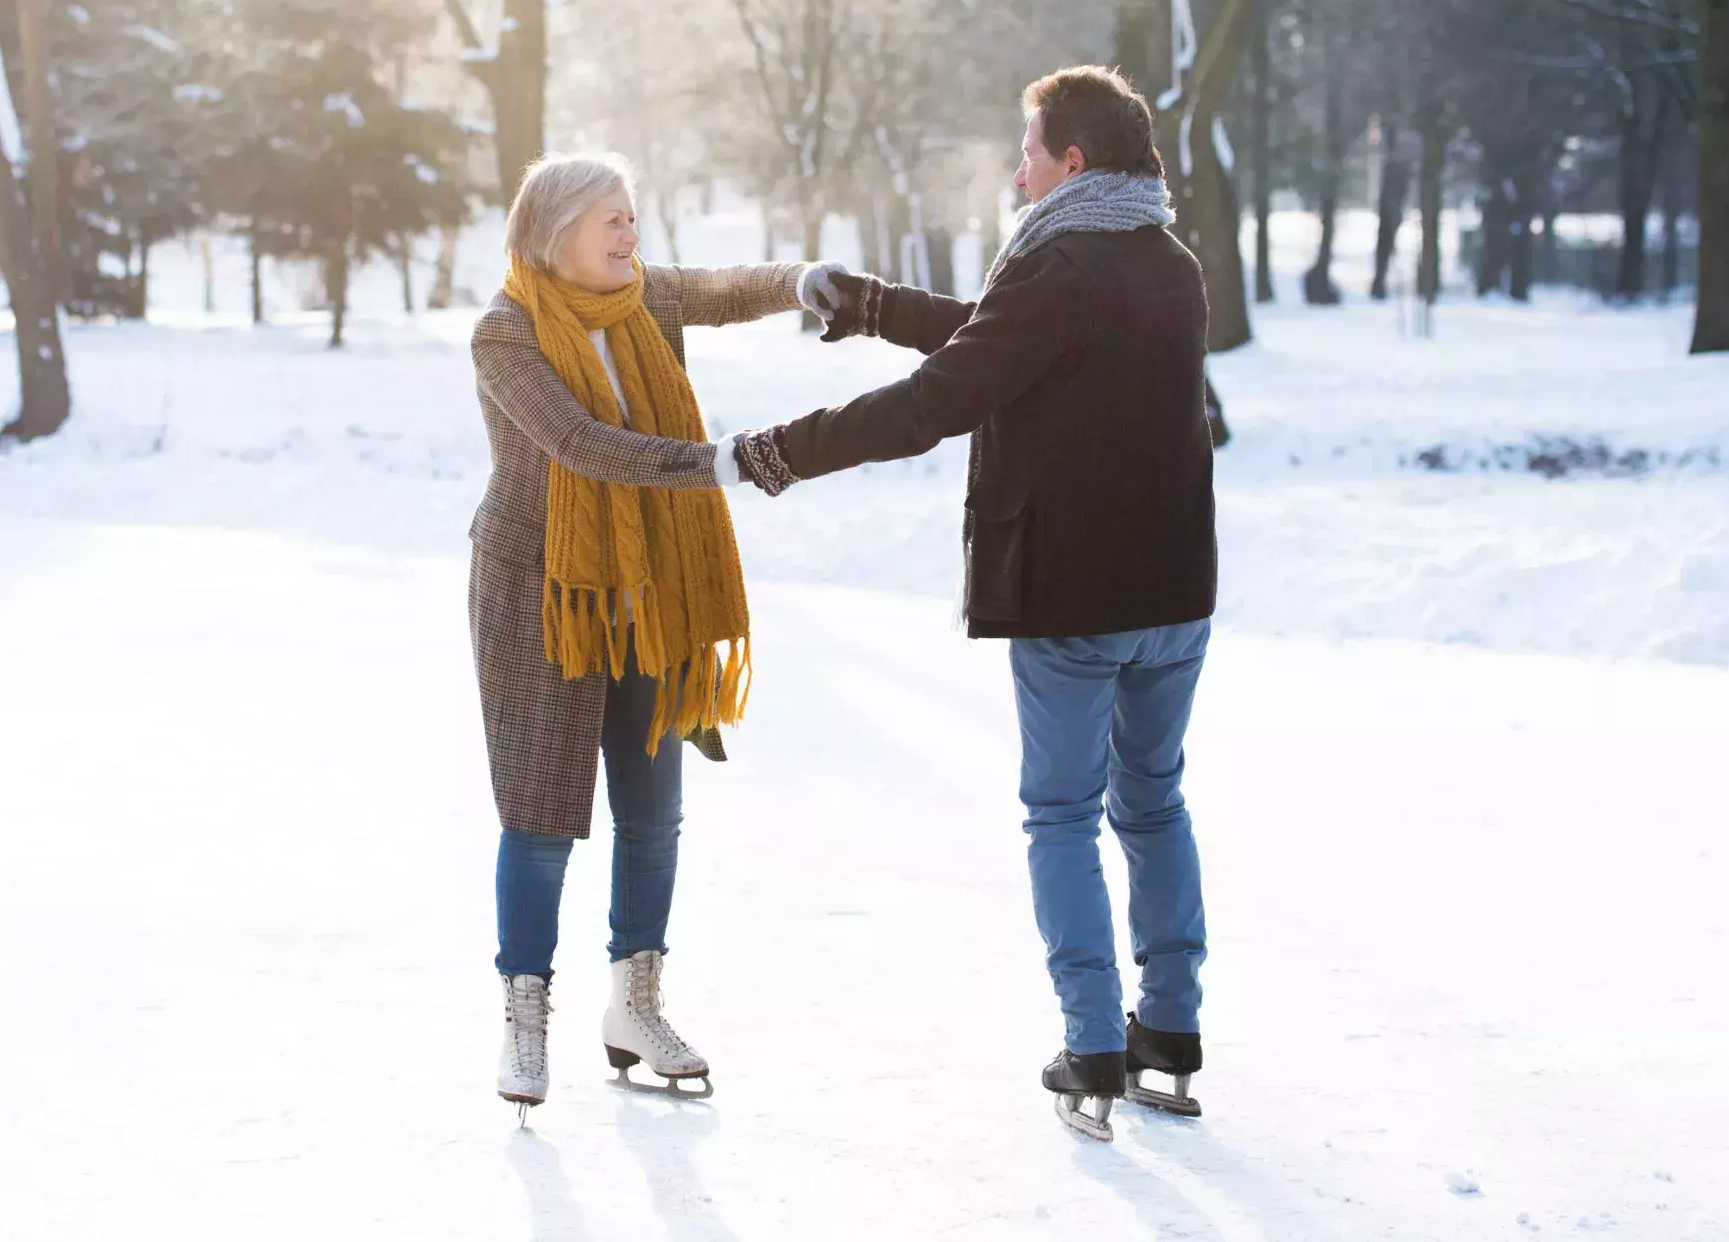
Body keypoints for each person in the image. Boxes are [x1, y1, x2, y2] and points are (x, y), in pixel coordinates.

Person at [724, 67, 1219, 1143]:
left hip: (1075, 599)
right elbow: (1002, 338)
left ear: (1070, 162)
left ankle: (1092, 1038)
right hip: (1174, 593)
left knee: (1059, 812)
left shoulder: (1062, 261)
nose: (1015, 169)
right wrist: (871, 305)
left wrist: (778, 453)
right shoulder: (1165, 259)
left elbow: (942, 398)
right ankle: (1167, 1032)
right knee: (1153, 804)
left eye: (1027, 150)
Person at [468, 152, 848, 1115]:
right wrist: (725, 462)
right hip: (545, 593)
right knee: (542, 811)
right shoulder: (505, 335)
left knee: (651, 811)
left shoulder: (643, 299)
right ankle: (524, 1017)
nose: (632, 237)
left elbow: (727, 287)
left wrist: (799, 281)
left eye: (633, 218)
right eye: (612, 220)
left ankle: (636, 1005)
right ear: (554, 230)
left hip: (651, 590)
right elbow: (580, 447)